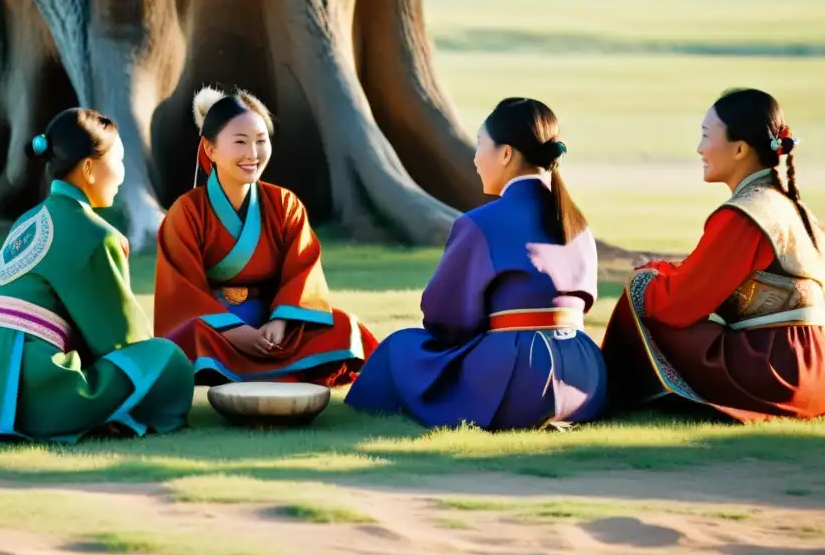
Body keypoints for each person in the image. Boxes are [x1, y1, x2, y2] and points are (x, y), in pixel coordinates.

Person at [0, 108, 195, 442]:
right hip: (30, 388)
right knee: (167, 360)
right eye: (120, 162)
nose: (123, 175)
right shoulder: (97, 235)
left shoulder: (27, 220)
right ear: (89, 169)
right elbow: (120, 340)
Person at [345, 98, 607, 430]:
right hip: (585, 378)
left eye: (480, 145)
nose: (475, 158)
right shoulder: (577, 223)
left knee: (402, 347)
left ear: (506, 153)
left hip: (523, 379)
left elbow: (445, 319)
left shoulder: (480, 223)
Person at [601, 89, 825, 422]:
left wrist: (648, 276)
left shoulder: (745, 215)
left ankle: (609, 398)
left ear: (739, 149)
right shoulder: (796, 208)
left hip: (777, 372)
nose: (699, 148)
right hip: (815, 371)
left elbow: (680, 302)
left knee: (643, 291)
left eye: (706, 136)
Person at [153, 87, 378, 386]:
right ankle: (270, 368)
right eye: (240, 142)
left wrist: (281, 321)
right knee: (190, 339)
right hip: (216, 329)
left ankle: (246, 367)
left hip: (274, 326)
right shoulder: (187, 212)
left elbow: (302, 272)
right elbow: (182, 290)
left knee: (343, 326)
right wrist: (234, 330)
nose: (253, 153)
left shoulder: (285, 205)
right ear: (210, 150)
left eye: (261, 141)